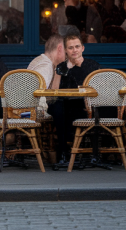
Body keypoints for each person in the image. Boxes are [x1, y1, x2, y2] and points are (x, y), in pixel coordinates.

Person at [47, 33, 101, 163]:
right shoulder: (61, 67)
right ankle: (63, 151)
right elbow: (54, 91)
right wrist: (62, 70)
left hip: (86, 103)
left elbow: (99, 90)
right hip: (66, 104)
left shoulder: (92, 65)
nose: (74, 50)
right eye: (70, 47)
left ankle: (93, 153)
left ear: (82, 48)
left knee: (97, 108)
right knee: (58, 108)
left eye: (77, 46)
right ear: (65, 50)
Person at [27, 34, 66, 113]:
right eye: (66, 51)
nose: (67, 55)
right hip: (32, 114)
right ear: (60, 49)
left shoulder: (40, 60)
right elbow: (37, 96)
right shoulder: (45, 67)